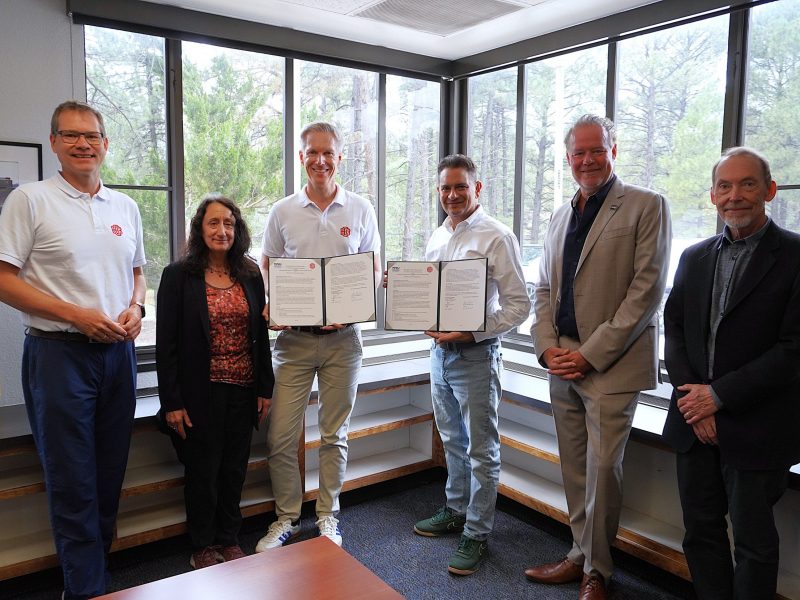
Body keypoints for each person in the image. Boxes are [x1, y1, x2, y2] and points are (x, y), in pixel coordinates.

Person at [0, 100, 146, 599]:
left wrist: (137, 309)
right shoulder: (30, 200)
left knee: (109, 475)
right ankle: (84, 589)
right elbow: (3, 280)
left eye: (92, 136)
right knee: (72, 480)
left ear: (105, 144)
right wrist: (75, 314)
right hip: (59, 356)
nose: (83, 144)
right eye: (71, 135)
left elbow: (138, 275)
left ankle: (95, 573)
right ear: (54, 142)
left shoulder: (126, 207)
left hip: (117, 359)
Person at [526, 114, 671, 599]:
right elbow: (544, 288)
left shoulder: (646, 206)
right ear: (567, 159)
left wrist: (589, 355)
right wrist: (547, 348)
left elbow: (646, 291)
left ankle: (599, 572)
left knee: (604, 472)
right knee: (575, 468)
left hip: (609, 365)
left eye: (597, 150)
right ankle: (577, 554)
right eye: (578, 153)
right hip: (561, 359)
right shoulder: (560, 214)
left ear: (614, 150)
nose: (587, 160)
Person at [662, 147, 800, 600]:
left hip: (759, 424)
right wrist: (694, 402)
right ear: (712, 196)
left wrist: (717, 397)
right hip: (692, 420)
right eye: (725, 186)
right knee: (700, 534)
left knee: (754, 544)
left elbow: (793, 348)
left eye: (747, 184)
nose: (734, 195)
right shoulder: (695, 256)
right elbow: (675, 326)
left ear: (770, 190)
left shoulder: (796, 256)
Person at [256, 122, 380, 550]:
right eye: (312, 152)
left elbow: (373, 269)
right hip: (293, 341)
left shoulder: (361, 209)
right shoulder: (282, 211)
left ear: (339, 157)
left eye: (328, 153)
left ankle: (328, 515)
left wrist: (350, 307)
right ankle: (286, 517)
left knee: (334, 433)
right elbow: (267, 265)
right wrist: (274, 303)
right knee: (281, 436)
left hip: (344, 341)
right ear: (302, 157)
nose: (320, 160)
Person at [410, 154, 530, 575]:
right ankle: (455, 509)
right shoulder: (438, 236)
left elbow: (520, 306)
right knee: (452, 441)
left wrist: (473, 333)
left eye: (461, 186)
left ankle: (476, 533)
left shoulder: (497, 236)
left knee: (482, 450)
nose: (453, 195)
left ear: (478, 188)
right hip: (439, 356)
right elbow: (434, 295)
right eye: (445, 188)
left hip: (477, 357)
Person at [156, 196, 274, 569]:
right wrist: (172, 401)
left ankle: (229, 537)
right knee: (202, 472)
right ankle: (203, 544)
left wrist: (264, 388)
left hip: (242, 388)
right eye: (213, 223)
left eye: (229, 223)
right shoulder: (178, 276)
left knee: (234, 469)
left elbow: (261, 335)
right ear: (199, 228)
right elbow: (166, 343)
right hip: (197, 394)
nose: (222, 230)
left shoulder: (250, 274)